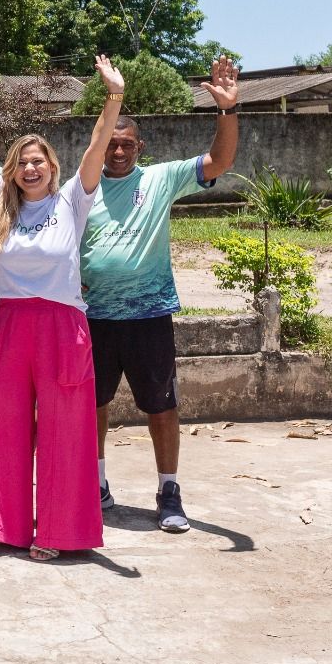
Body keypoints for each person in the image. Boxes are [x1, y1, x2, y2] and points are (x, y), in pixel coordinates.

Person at [0, 54, 125, 561]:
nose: (30, 167)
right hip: (12, 323)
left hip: (62, 325)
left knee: (66, 432)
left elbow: (95, 147)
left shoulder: (71, 200)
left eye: (38, 160)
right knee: (4, 429)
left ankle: (60, 533)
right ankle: (4, 526)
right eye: (22, 161)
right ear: (14, 170)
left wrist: (114, 96)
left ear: (51, 167)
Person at [84, 56, 241, 531]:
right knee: (92, 406)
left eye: (126, 144)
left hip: (149, 315)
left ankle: (168, 490)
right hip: (92, 317)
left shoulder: (159, 179)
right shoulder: (81, 187)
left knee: (162, 405)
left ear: (140, 147)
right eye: (111, 143)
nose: (118, 152)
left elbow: (221, 161)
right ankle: (96, 483)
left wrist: (227, 111)